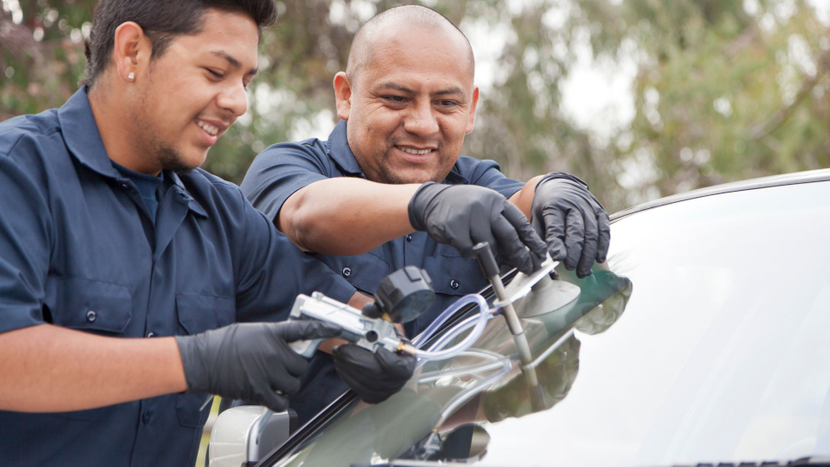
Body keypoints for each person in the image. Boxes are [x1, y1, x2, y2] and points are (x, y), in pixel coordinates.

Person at [0, 1, 411, 465]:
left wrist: (377, 340)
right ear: (131, 51)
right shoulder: (16, 174)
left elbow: (331, 309)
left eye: (246, 81)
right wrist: (197, 360)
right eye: (216, 71)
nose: (239, 102)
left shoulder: (222, 215)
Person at [240, 5, 611, 425]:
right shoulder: (286, 167)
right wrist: (425, 204)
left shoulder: (473, 184)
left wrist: (554, 187)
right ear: (345, 95)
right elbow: (307, 214)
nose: (422, 123)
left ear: (470, 109)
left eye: (445, 103)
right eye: (396, 98)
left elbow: (521, 205)